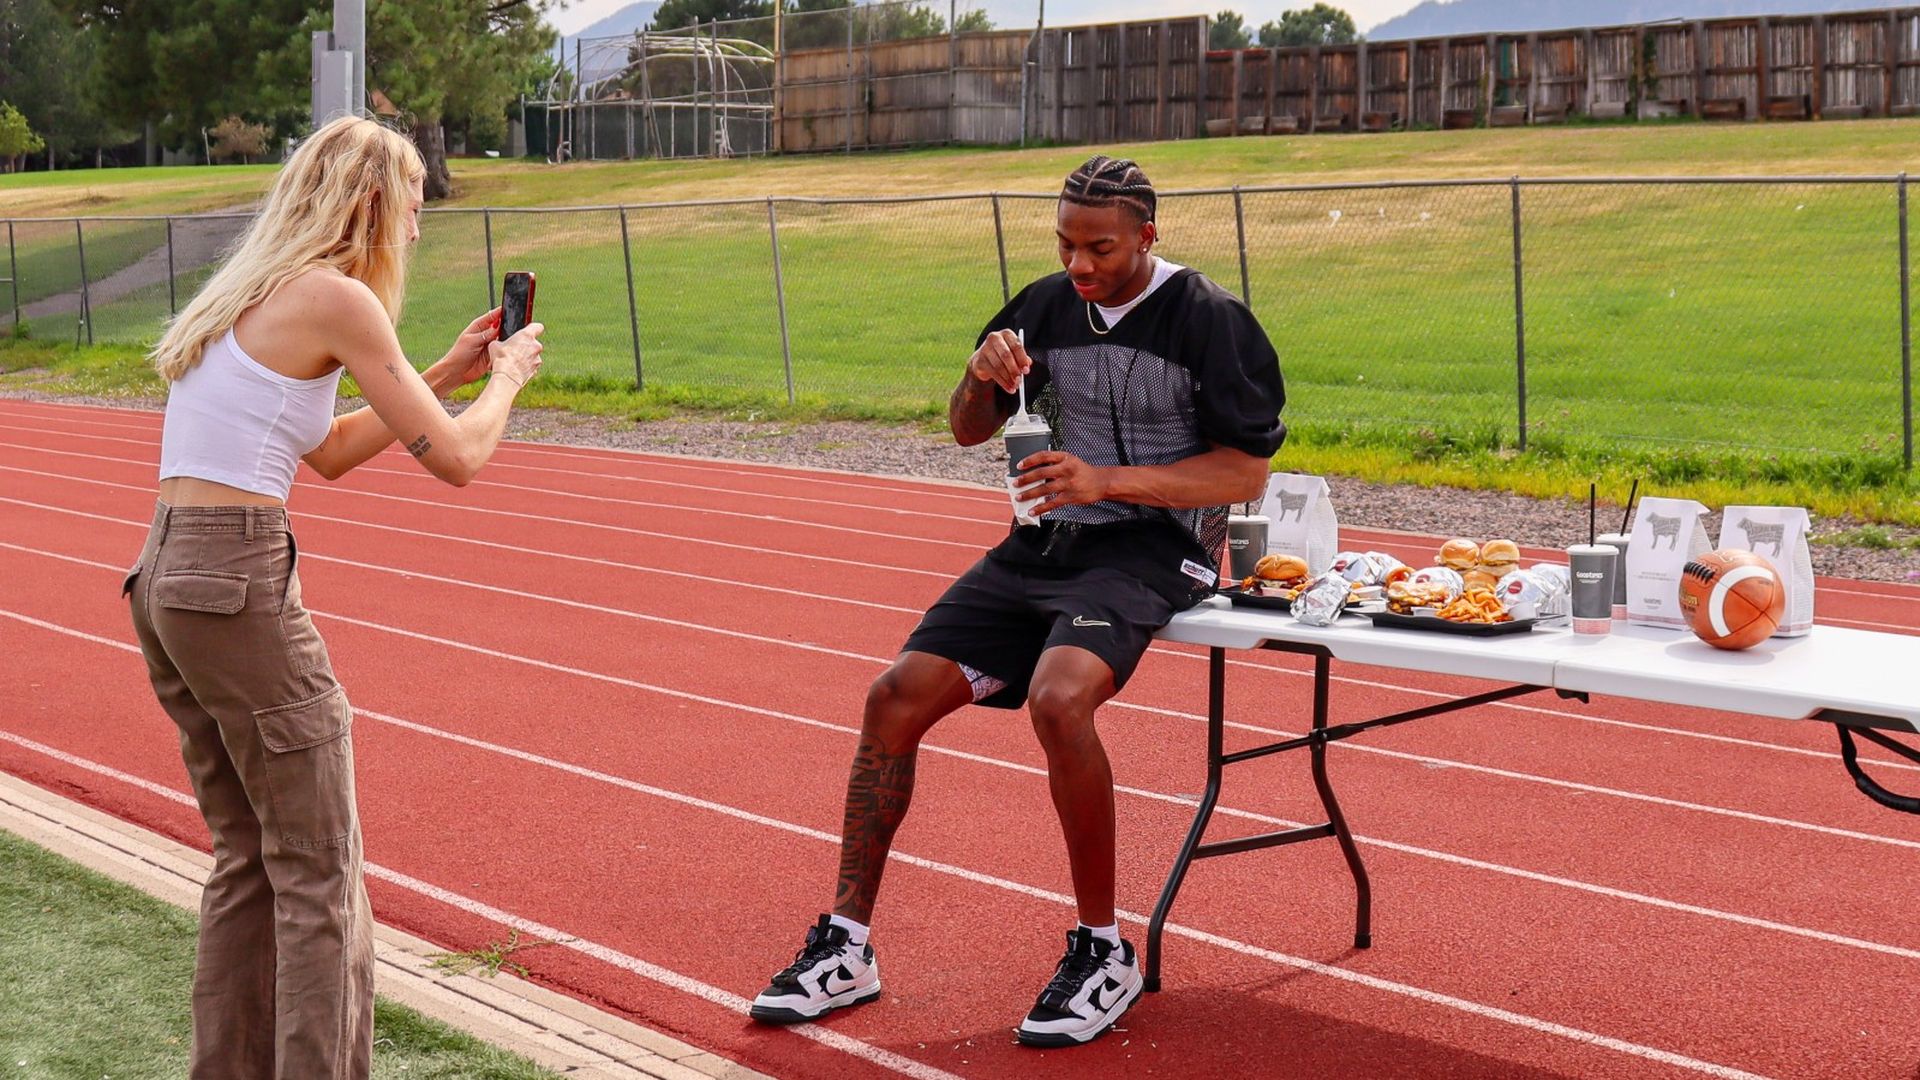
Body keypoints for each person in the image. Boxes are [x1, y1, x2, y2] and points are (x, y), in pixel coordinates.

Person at [750, 155, 1286, 1047]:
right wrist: (981, 374)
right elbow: (967, 427)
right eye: (1066, 244)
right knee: (892, 699)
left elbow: (1246, 470)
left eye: (1100, 248)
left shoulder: (1211, 320)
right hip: (1041, 544)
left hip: (1155, 550)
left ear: (1148, 236)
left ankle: (1104, 950)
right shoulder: (1041, 304)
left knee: (1059, 697)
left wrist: (1103, 479)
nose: (1079, 264)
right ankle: (845, 945)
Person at [122, 115, 545, 1079]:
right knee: (320, 868)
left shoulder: (254, 290)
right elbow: (464, 460)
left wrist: (440, 372)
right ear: (369, 203)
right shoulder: (340, 296)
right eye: (411, 207)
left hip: (167, 574)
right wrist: (508, 381)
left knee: (248, 858)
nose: (418, 228)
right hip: (232, 576)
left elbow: (330, 451)